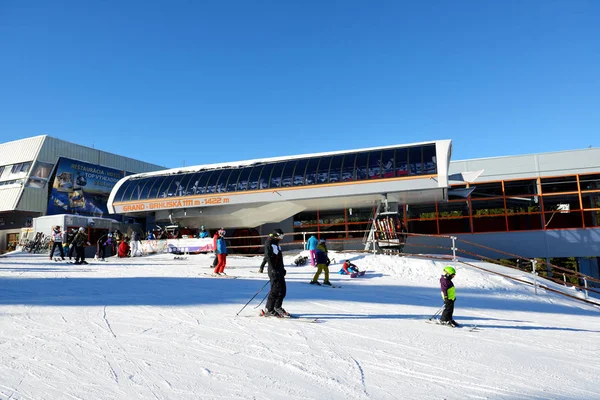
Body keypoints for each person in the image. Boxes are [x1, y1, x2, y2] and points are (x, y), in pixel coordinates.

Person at [264, 229, 289, 317]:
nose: (281, 238)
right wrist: (273, 269)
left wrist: (282, 269)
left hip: (279, 270)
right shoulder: (269, 243)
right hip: (273, 270)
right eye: (280, 236)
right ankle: (269, 309)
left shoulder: (276, 243)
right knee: (275, 290)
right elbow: (268, 257)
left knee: (283, 290)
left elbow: (279, 258)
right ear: (275, 235)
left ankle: (277, 307)